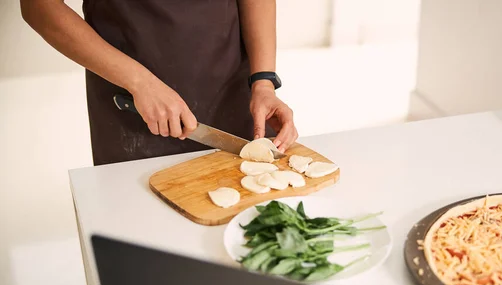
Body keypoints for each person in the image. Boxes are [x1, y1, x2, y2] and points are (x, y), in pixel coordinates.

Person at [21, 0, 298, 165]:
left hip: (230, 89)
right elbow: (38, 7)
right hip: (130, 101)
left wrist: (263, 81)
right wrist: (139, 82)